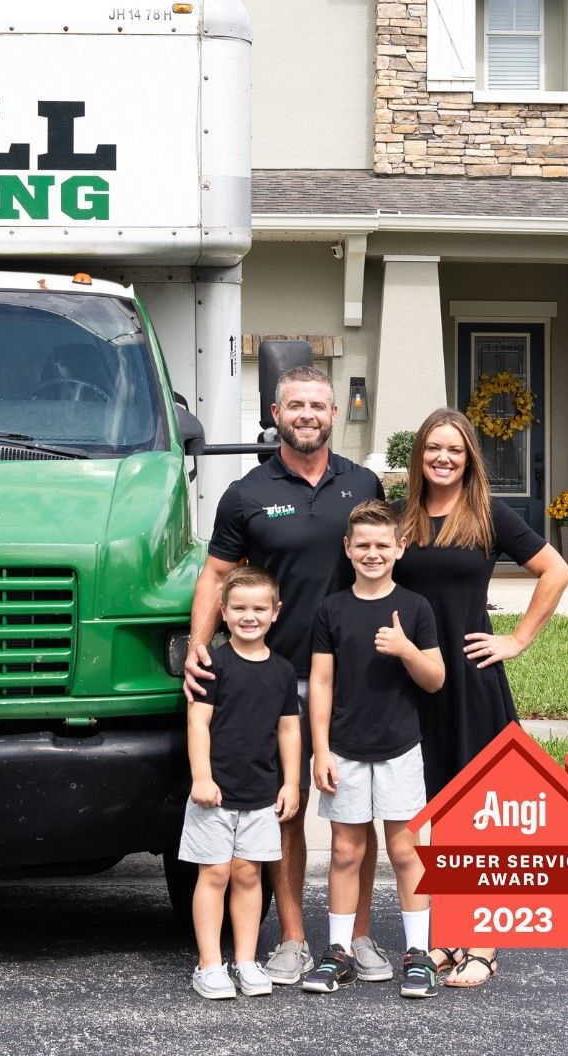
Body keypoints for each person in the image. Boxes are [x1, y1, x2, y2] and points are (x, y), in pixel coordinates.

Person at [184, 366, 388, 986]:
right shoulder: (246, 493)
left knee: (356, 815)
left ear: (335, 415)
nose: (308, 414)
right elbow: (217, 576)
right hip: (273, 681)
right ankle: (295, 939)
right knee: (286, 812)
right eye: (295, 405)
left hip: (355, 677)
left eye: (318, 405)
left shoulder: (364, 483)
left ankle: (357, 938)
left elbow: (385, 562)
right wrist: (198, 647)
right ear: (275, 413)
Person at [393, 408, 568, 988]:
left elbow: (556, 570)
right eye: (432, 449)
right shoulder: (405, 518)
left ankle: (484, 945)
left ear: (469, 458)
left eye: (455, 450)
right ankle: (448, 936)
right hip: (418, 677)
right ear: (419, 455)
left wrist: (517, 638)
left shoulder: (486, 513)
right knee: (436, 809)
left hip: (471, 676)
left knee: (476, 809)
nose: (442, 458)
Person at [304, 500, 445, 999]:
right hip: (344, 748)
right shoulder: (332, 609)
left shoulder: (415, 607)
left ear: (400, 548)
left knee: (406, 852)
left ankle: (418, 955)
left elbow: (435, 679)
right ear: (347, 548)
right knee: (346, 851)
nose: (372, 553)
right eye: (362, 545)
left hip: (400, 748)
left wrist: (406, 648)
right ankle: (339, 951)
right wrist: (320, 749)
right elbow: (320, 682)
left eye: (382, 545)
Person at [180, 566, 301, 1000]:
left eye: (258, 609)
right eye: (239, 608)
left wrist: (291, 783)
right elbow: (198, 723)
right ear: (223, 612)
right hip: (214, 793)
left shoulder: (284, 672)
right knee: (213, 874)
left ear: (275, 613)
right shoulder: (213, 664)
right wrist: (201, 777)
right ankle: (210, 965)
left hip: (260, 794)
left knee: (249, 875)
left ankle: (246, 961)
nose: (249, 616)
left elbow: (288, 730)